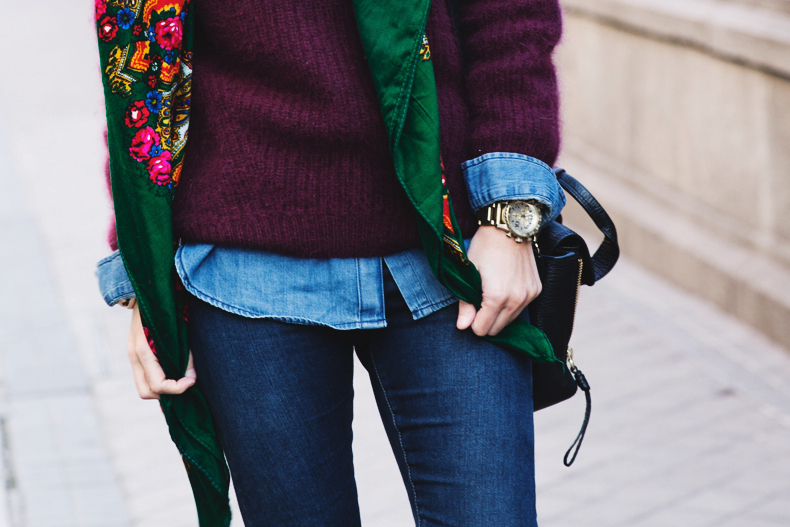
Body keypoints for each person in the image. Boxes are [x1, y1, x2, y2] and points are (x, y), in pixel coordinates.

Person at [96, 0, 565, 524]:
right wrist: (143, 277)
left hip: (447, 251)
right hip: (243, 267)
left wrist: (511, 216)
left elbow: (511, 16)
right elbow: (139, 60)